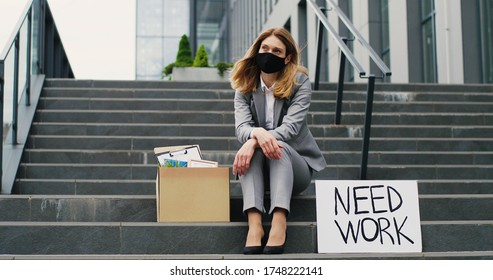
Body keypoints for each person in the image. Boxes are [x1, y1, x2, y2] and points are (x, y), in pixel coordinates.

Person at [230, 27, 327, 254]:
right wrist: (255, 136)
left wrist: (256, 139)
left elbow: (290, 128)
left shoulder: (300, 83)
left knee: (274, 145)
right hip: (260, 169)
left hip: (296, 168)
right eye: (265, 48)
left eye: (276, 50)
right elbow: (241, 127)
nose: (269, 53)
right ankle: (255, 225)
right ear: (257, 50)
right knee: (253, 147)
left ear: (287, 57)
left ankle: (279, 220)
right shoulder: (245, 85)